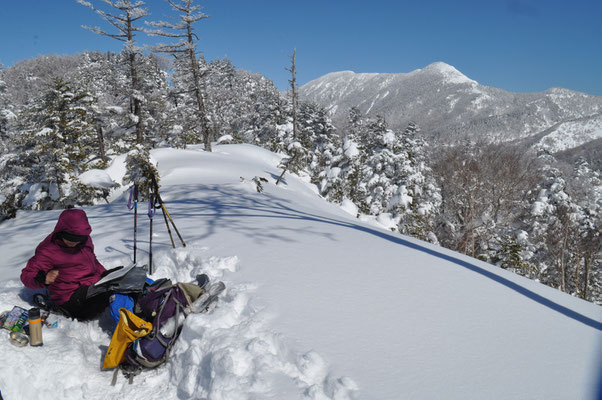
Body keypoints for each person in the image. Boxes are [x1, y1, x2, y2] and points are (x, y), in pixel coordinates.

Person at [20, 208, 113, 320]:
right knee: (110, 297)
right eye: (70, 239)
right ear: (61, 231)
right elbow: (27, 276)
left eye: (78, 239)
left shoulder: (85, 240)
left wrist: (105, 274)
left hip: (91, 286)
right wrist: (43, 278)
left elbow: (93, 261)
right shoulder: (48, 250)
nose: (73, 243)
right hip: (69, 297)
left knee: (124, 287)